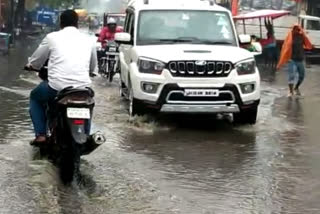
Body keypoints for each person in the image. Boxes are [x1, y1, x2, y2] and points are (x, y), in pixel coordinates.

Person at [26, 10, 97, 144]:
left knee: (35, 97)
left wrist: (31, 65)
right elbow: (93, 68)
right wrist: (92, 72)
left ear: (60, 23)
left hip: (56, 88)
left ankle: (40, 134)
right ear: (77, 23)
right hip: (83, 88)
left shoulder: (52, 37)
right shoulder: (89, 40)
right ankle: (86, 135)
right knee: (89, 103)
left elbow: (36, 60)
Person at [277, 25, 312, 97]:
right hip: (292, 59)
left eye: (298, 29)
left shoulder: (302, 36)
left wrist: (307, 40)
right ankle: (290, 91)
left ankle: (296, 88)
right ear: (292, 30)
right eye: (295, 29)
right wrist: (285, 58)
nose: (296, 30)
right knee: (291, 76)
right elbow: (285, 47)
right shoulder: (289, 37)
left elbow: (307, 43)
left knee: (302, 76)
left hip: (300, 59)